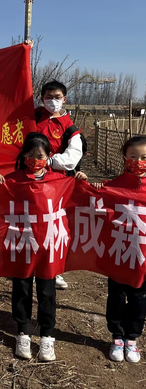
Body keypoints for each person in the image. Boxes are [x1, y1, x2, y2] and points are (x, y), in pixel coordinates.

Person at [0, 132, 87, 361]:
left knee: (47, 291)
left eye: (39, 156)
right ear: (23, 156)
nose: (34, 160)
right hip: (22, 244)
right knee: (21, 288)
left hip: (48, 247)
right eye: (30, 155)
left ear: (49, 157)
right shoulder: (13, 180)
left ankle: (47, 336)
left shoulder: (58, 180)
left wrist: (80, 179)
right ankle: (22, 332)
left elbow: (78, 195)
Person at [93, 136, 146, 363]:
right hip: (119, 251)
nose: (138, 161)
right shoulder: (114, 186)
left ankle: (132, 338)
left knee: (140, 297)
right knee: (117, 294)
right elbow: (97, 205)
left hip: (143, 256)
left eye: (144, 157)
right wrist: (94, 188)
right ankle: (117, 336)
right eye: (133, 156)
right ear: (125, 157)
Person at [35, 80, 83, 290]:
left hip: (56, 183)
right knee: (30, 222)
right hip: (30, 179)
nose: (52, 101)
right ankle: (28, 264)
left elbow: (72, 157)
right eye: (48, 97)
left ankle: (55, 270)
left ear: (64, 99)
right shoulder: (33, 116)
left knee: (55, 226)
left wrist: (49, 161)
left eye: (57, 97)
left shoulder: (69, 127)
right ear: (42, 98)